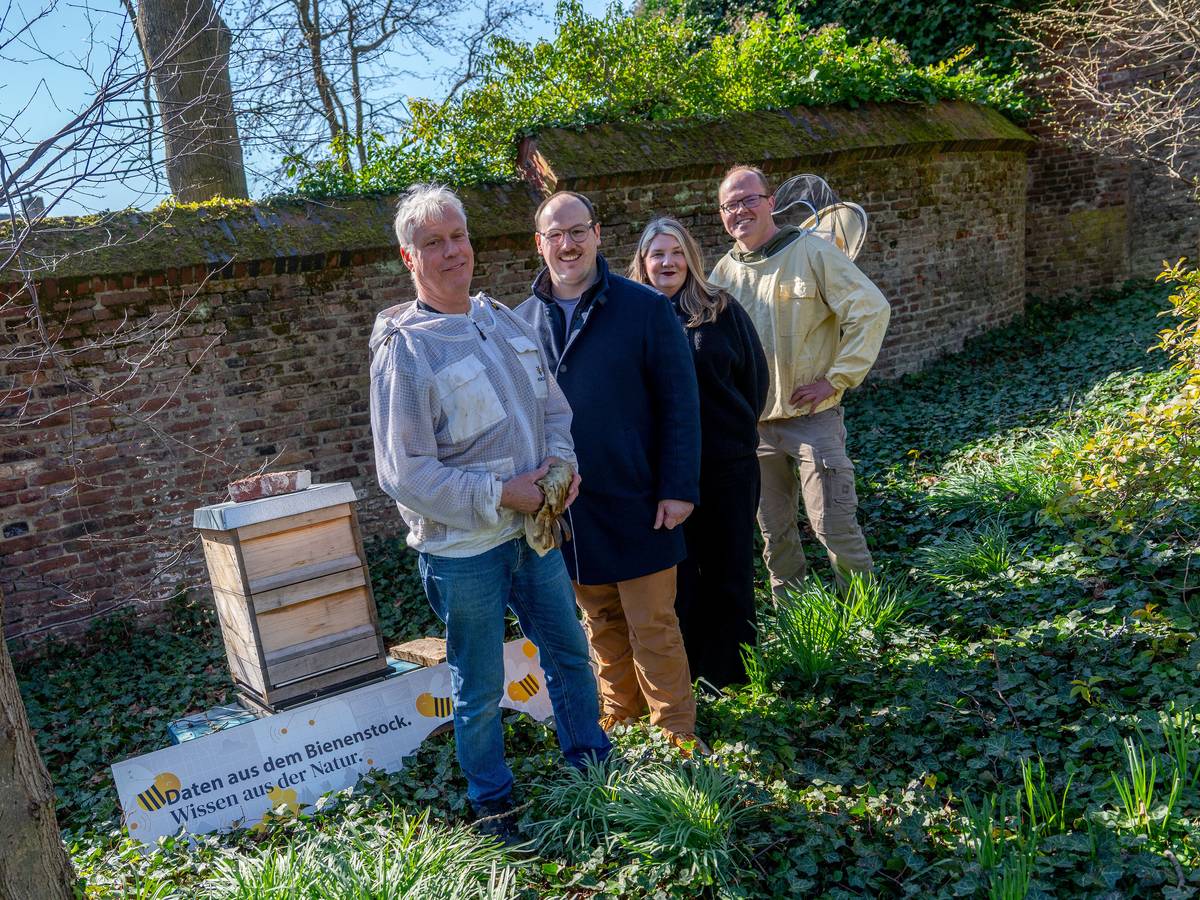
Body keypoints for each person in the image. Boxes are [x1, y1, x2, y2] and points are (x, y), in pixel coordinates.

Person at [369, 184, 610, 842]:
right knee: (477, 685)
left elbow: (552, 412)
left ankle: (592, 767)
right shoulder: (407, 351)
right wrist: (504, 493)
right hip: (464, 554)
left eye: (458, 236)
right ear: (408, 258)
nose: (452, 251)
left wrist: (560, 471)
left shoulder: (501, 321)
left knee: (568, 653)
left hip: (534, 534)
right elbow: (405, 471)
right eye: (433, 243)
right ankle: (494, 802)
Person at [514, 191, 707, 756]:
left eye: (578, 231)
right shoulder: (519, 322)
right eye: (555, 235)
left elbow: (680, 402)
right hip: (568, 509)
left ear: (597, 234)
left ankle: (676, 738)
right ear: (539, 243)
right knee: (599, 625)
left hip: (641, 496)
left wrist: (677, 488)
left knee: (653, 625)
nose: (567, 244)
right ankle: (622, 725)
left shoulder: (644, 307)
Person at [709, 165, 890, 596]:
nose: (740, 211)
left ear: (770, 202)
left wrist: (836, 379)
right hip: (753, 428)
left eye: (749, 199)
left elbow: (870, 309)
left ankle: (862, 614)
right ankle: (793, 615)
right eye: (730, 205)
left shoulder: (812, 251)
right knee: (774, 531)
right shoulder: (722, 274)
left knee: (833, 524)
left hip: (813, 418)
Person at [627, 217, 768, 689]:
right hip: (663, 476)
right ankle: (686, 676)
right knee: (678, 579)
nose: (667, 262)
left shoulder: (720, 310)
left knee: (729, 569)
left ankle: (734, 676)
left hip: (727, 468)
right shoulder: (629, 317)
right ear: (642, 264)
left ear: (690, 256)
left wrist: (732, 437)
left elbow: (755, 382)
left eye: (675, 252)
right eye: (656, 254)